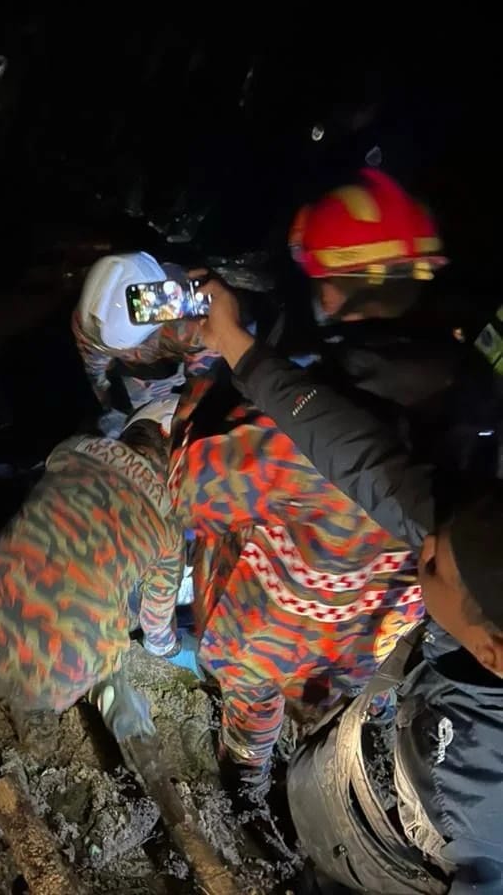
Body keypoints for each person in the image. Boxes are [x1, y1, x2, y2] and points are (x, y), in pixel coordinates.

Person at [166, 170, 476, 803]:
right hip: (381, 631)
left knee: (252, 703)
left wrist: (207, 372)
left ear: (331, 297)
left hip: (271, 632)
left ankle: (247, 783)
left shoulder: (291, 439)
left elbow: (188, 492)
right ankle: (352, 746)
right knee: (359, 688)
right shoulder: (474, 411)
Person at [197, 278, 503, 894]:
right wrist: (241, 348)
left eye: (433, 564)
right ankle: (262, 793)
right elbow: (365, 461)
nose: (425, 541)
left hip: (397, 846)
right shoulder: (473, 542)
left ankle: (252, 790)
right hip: (357, 683)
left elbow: (201, 490)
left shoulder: (486, 816)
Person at [0, 404, 196, 747]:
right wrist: (176, 647)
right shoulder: (170, 530)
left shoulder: (74, 448)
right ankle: (40, 704)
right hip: (64, 675)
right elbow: (157, 631)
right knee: (115, 606)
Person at [72, 251, 218, 434]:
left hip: (177, 369)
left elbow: (202, 382)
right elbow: (95, 370)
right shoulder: (91, 322)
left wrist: (176, 430)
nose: (130, 353)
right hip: (138, 379)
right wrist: (109, 406)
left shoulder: (193, 323)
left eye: (133, 347)